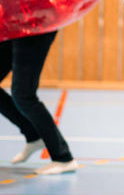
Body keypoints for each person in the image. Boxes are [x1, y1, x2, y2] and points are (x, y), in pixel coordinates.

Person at [0, 30, 78, 174]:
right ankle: (34, 136)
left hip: (34, 27)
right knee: (23, 95)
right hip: (14, 27)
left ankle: (63, 158)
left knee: (24, 95)